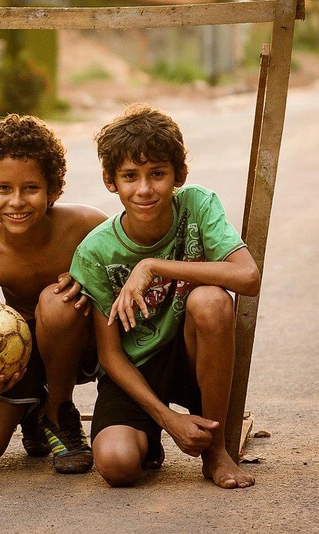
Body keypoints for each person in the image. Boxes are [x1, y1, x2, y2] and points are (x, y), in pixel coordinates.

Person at [69, 103, 261, 489]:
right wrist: (167, 419)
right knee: (117, 466)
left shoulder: (197, 204)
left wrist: (154, 266)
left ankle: (216, 451)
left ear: (179, 175)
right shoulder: (95, 252)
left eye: (157, 174)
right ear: (111, 181)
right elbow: (109, 354)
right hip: (135, 371)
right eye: (130, 176)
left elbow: (247, 276)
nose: (144, 189)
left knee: (211, 301)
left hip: (191, 355)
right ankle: (150, 438)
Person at [0, 114, 107, 474]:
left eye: (31, 188)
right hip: (21, 355)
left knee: (58, 300)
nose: (17, 202)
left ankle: (58, 412)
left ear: (54, 189)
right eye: (4, 188)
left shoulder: (88, 227)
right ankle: (32, 409)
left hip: (81, 343)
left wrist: (89, 285)